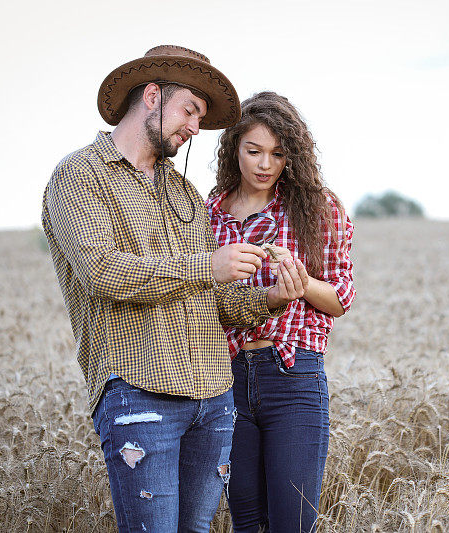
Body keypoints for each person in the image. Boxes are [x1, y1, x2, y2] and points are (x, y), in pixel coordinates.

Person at [41, 46, 309, 533]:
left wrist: (273, 298)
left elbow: (215, 300)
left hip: (213, 398)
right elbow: (102, 271)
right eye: (189, 111)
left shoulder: (184, 193)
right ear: (151, 97)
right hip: (139, 394)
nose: (194, 129)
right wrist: (208, 264)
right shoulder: (79, 176)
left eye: (201, 119)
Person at [206, 92, 356, 532]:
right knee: (247, 521)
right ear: (234, 147)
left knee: (292, 521)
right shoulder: (208, 213)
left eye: (277, 154)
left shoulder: (316, 208)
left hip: (293, 375)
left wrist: (301, 283)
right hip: (226, 378)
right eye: (253, 151)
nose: (264, 164)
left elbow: (341, 298)